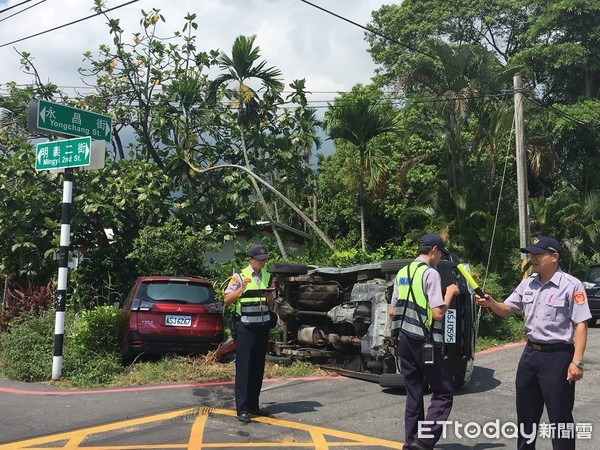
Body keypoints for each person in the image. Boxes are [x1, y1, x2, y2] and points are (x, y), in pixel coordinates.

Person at [476, 235, 591, 450]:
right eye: (531, 254)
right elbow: (506, 309)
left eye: (538, 254)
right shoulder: (528, 283)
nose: (533, 258)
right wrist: (491, 303)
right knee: (526, 418)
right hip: (530, 356)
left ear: (554, 257)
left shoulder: (571, 285)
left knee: (560, 419)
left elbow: (581, 325)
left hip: (558, 357)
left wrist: (577, 362)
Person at [390, 233, 460, 450]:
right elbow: (438, 314)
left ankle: (410, 442)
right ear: (434, 251)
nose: (439, 259)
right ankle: (425, 440)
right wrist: (450, 294)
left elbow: (392, 310)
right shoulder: (430, 274)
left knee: (414, 392)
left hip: (403, 340)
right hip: (424, 342)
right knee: (444, 391)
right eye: (440, 254)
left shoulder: (402, 272)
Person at [223, 243, 275, 424]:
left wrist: (270, 299)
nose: (263, 263)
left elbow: (271, 304)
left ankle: (254, 405)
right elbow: (227, 299)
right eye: (259, 260)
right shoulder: (239, 276)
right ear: (250, 259)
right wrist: (241, 289)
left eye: (264, 260)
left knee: (257, 367)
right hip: (245, 327)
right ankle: (242, 408)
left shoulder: (268, 277)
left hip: (262, 326)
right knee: (244, 368)